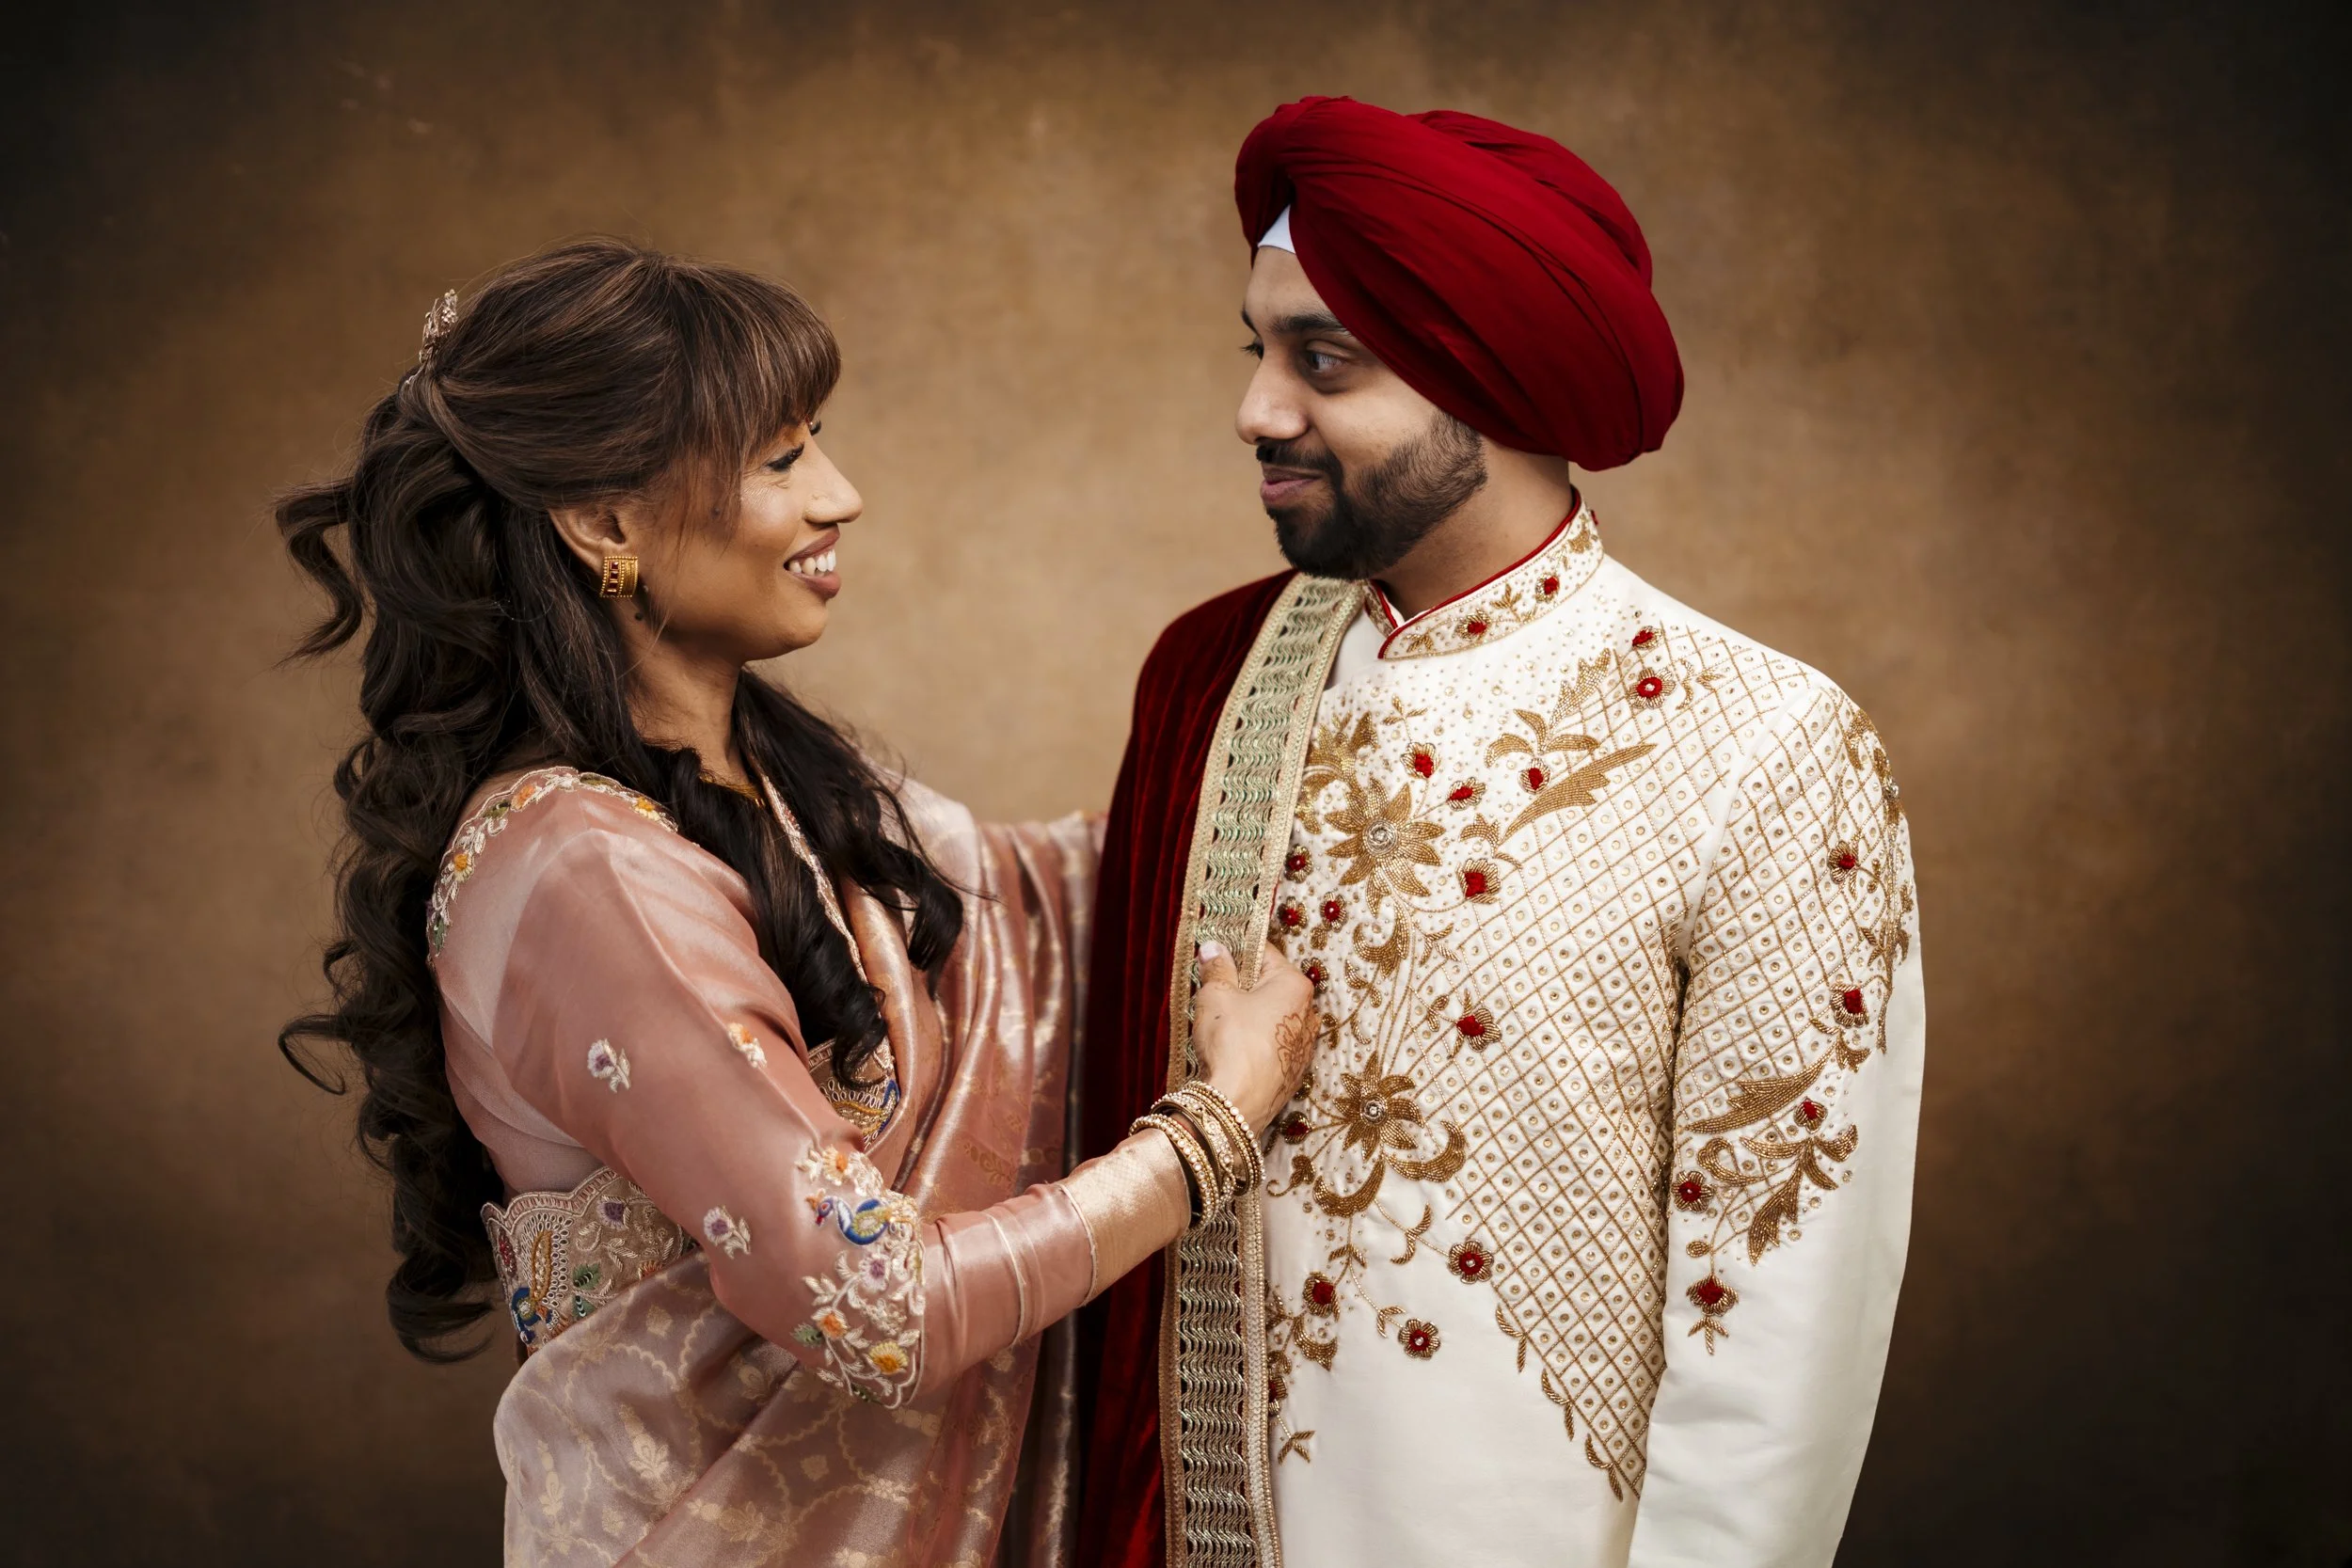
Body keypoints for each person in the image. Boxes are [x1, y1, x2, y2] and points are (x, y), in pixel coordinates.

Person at [277, 238, 1315, 1567]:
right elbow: (874, 1304)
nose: (843, 494)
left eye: (818, 439)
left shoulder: (777, 772)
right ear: (602, 522)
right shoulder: (586, 872)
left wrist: (1321, 719)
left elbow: (1043, 902)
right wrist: (1212, 1130)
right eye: (779, 460)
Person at [1074, 98, 1925, 1568]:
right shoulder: (1216, 676)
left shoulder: (1761, 743)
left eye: (1321, 360)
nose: (1258, 411)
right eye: (1256, 350)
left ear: (1491, 379)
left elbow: (1779, 1327)